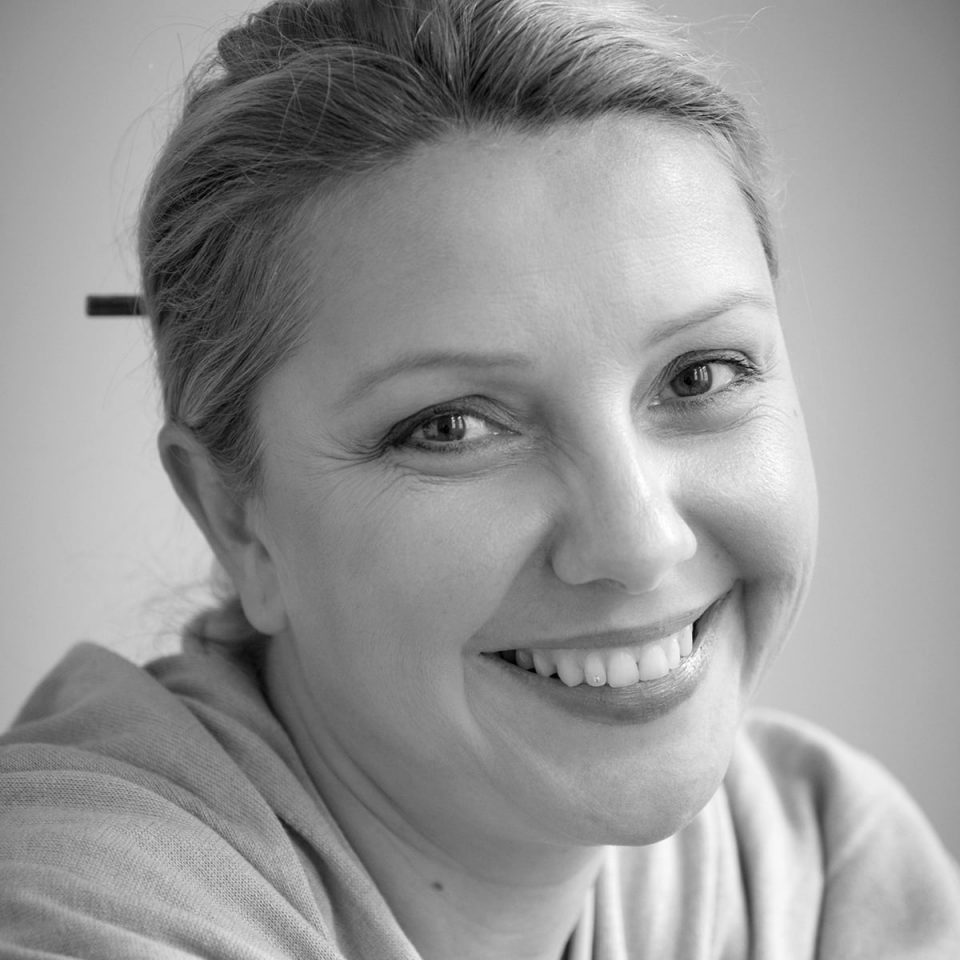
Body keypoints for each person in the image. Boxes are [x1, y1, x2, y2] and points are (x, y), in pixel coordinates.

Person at [1, 0, 958, 956]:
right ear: (234, 518)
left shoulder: (818, 859)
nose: (638, 543)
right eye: (451, 427)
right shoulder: (71, 910)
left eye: (700, 375)